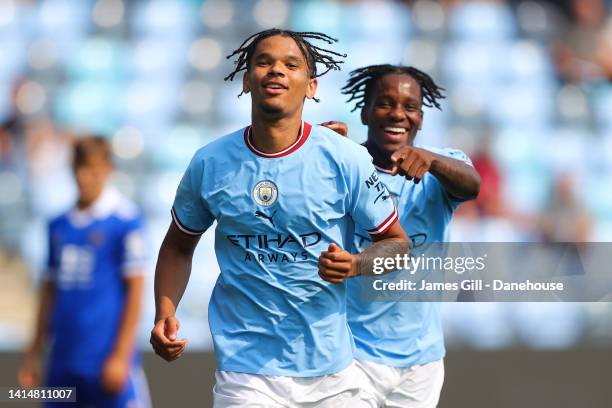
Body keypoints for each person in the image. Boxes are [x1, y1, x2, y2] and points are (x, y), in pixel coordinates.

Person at [149, 29, 408, 407]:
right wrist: (164, 312)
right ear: (246, 79)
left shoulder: (344, 158)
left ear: (311, 86)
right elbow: (177, 245)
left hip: (332, 375)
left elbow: (398, 247)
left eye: (291, 64)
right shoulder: (211, 163)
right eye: (264, 62)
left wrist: (355, 264)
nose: (276, 72)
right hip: (246, 374)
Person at [340, 64, 480, 407]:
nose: (398, 114)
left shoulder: (441, 166)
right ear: (365, 112)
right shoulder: (344, 165)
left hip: (422, 361)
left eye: (410, 107)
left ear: (420, 117)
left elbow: (472, 185)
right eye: (385, 103)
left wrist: (432, 162)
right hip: (352, 352)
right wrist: (325, 150)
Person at [18, 136, 151, 407]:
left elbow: (136, 290)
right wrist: (34, 353)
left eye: (92, 169)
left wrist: (121, 356)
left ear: (108, 170)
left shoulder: (125, 220)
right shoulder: (58, 225)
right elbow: (49, 291)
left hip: (105, 360)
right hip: (63, 362)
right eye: (79, 168)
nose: (84, 177)